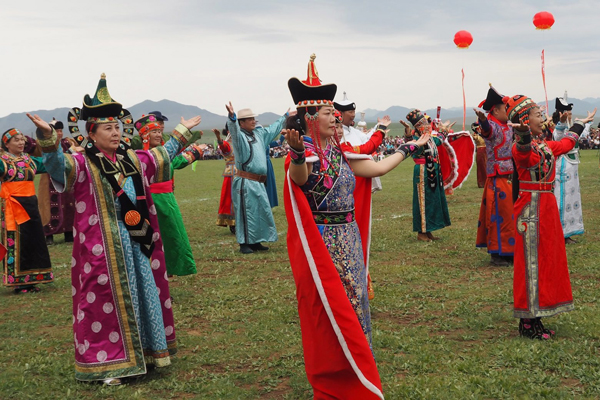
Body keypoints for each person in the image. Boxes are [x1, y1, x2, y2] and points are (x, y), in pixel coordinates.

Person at [27, 73, 200, 384]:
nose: (116, 132)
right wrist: (49, 141)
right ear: (92, 133)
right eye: (108, 128)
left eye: (118, 126)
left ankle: (148, 353)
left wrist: (182, 133)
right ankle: (108, 366)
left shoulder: (132, 158)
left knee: (143, 292)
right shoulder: (81, 164)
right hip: (101, 245)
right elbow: (55, 167)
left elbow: (161, 156)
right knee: (101, 300)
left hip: (137, 240)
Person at [284, 57, 427, 399]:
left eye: (335, 112)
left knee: (355, 306)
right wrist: (297, 156)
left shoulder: (338, 151)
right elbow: (298, 178)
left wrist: (411, 148)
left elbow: (375, 169)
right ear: (309, 119)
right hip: (324, 245)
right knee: (333, 310)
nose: (335, 117)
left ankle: (356, 374)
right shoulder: (303, 152)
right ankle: (338, 380)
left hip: (349, 240)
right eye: (327, 113)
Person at [508, 94, 595, 340]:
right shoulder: (521, 147)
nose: (543, 117)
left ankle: (536, 316)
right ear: (525, 120)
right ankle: (527, 321)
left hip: (545, 209)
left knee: (545, 260)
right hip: (530, 210)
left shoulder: (544, 145)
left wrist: (581, 123)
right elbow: (524, 154)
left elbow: (566, 144)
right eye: (537, 115)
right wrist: (523, 134)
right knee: (530, 262)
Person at [135, 113, 205, 277]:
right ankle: (155, 278)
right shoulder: (143, 157)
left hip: (168, 201)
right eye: (154, 132)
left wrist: (195, 152)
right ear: (145, 135)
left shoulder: (164, 153)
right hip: (152, 202)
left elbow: (178, 161)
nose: (159, 134)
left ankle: (166, 272)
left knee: (172, 238)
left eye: (160, 131)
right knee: (154, 241)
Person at [225, 103, 290, 254]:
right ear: (242, 123)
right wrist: (232, 118)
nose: (254, 121)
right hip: (245, 181)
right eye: (250, 119)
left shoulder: (259, 135)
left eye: (254, 118)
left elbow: (273, 129)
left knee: (259, 211)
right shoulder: (239, 137)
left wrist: (285, 117)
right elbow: (233, 129)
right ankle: (244, 243)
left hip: (259, 181)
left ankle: (256, 241)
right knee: (245, 213)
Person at [0, 128, 53, 293]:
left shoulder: (29, 160)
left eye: (22, 139)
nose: (21, 142)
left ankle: (34, 277)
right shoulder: (3, 161)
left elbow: (50, 164)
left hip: (31, 205)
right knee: (16, 241)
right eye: (16, 140)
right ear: (7, 144)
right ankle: (18, 282)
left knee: (34, 240)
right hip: (12, 206)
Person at [474, 86, 515, 266]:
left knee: (510, 215)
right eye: (505, 108)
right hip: (498, 177)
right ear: (496, 110)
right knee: (499, 214)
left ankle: (509, 250)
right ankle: (497, 253)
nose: (508, 111)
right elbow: (487, 131)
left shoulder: (508, 125)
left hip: (510, 176)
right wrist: (483, 121)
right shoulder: (493, 126)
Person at [401, 110, 452, 242]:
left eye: (428, 123)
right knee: (422, 201)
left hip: (433, 171)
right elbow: (410, 144)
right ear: (418, 128)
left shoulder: (430, 138)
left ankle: (428, 230)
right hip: (422, 171)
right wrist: (407, 133)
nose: (428, 126)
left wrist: (444, 129)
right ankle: (421, 232)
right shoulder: (417, 140)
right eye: (424, 124)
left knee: (431, 200)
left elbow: (440, 139)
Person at [37, 118, 76, 245]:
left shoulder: (68, 143)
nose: (59, 133)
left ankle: (69, 233)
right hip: (48, 180)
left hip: (66, 177)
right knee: (48, 207)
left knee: (69, 205)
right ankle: (49, 236)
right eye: (57, 131)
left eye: (60, 130)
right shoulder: (42, 144)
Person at [552, 97, 584, 244]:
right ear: (561, 113)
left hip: (572, 168)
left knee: (571, 199)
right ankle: (561, 232)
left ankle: (568, 232)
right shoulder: (559, 127)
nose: (569, 115)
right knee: (562, 199)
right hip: (563, 169)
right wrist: (562, 123)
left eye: (570, 113)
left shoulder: (569, 124)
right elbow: (558, 138)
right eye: (567, 112)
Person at [214, 126, 236, 233]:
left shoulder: (240, 141)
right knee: (231, 198)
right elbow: (223, 147)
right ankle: (233, 223)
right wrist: (218, 138)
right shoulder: (228, 143)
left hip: (243, 173)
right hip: (232, 174)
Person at [471, 122, 487, 188]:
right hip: (480, 151)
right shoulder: (476, 136)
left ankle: (486, 181)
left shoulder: (484, 134)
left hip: (485, 151)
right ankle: (482, 182)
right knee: (481, 166)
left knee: (486, 165)